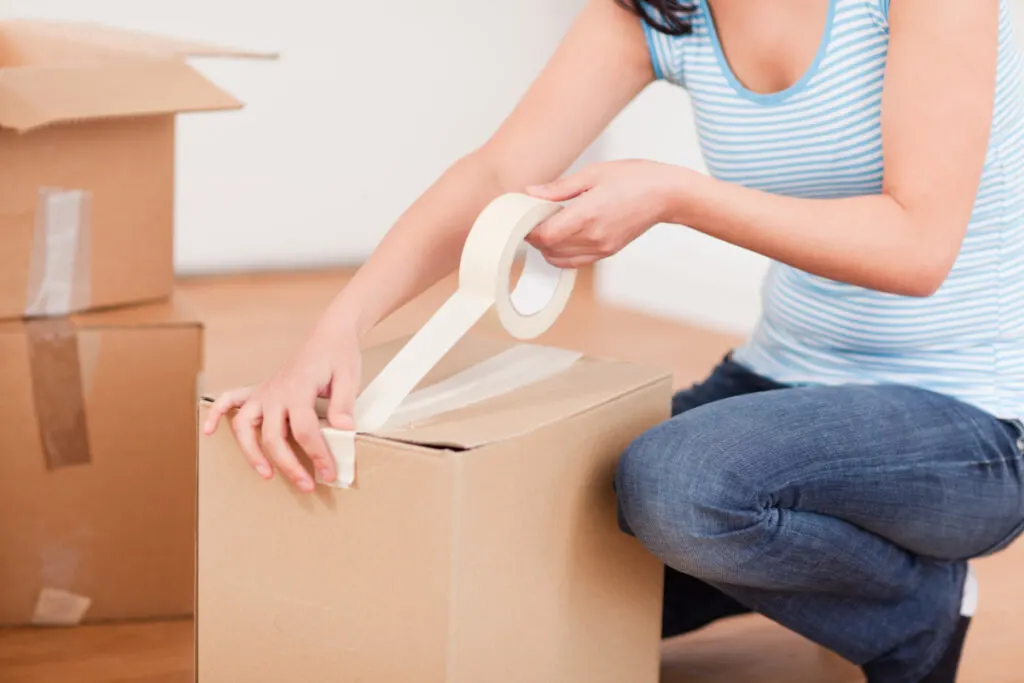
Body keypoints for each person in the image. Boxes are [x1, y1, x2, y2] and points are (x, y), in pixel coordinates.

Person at [203, 1, 1024, 681]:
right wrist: (335, 328)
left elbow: (917, 247)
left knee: (678, 486)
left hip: (974, 420)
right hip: (778, 380)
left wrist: (675, 194)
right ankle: (808, 560)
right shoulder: (665, 14)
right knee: (508, 571)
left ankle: (915, 610)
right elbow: (498, 174)